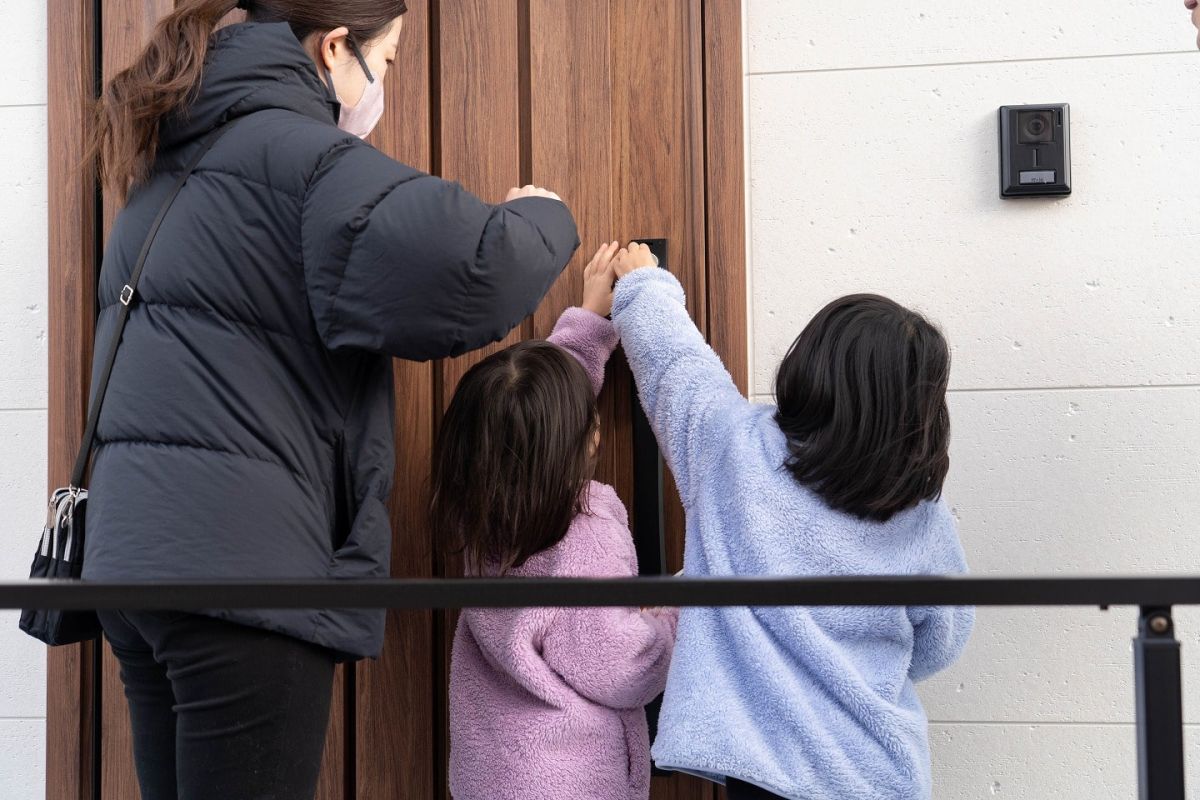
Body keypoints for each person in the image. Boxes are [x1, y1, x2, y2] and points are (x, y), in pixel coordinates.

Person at [83, 0, 578, 797]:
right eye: (386, 64)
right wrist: (544, 212)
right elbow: (480, 268)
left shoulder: (169, 162)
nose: (385, 85)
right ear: (335, 47)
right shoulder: (309, 163)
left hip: (133, 566)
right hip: (245, 578)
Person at [609, 244, 974, 800]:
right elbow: (942, 639)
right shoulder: (919, 513)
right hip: (881, 773)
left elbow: (677, 369)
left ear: (813, 367)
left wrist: (644, 286)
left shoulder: (736, 451)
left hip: (766, 771)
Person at [435, 243, 678, 800]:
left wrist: (589, 324)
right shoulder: (584, 537)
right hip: (570, 781)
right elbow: (627, 668)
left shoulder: (482, 513)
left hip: (492, 773)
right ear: (590, 437)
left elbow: (529, 413)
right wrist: (674, 613)